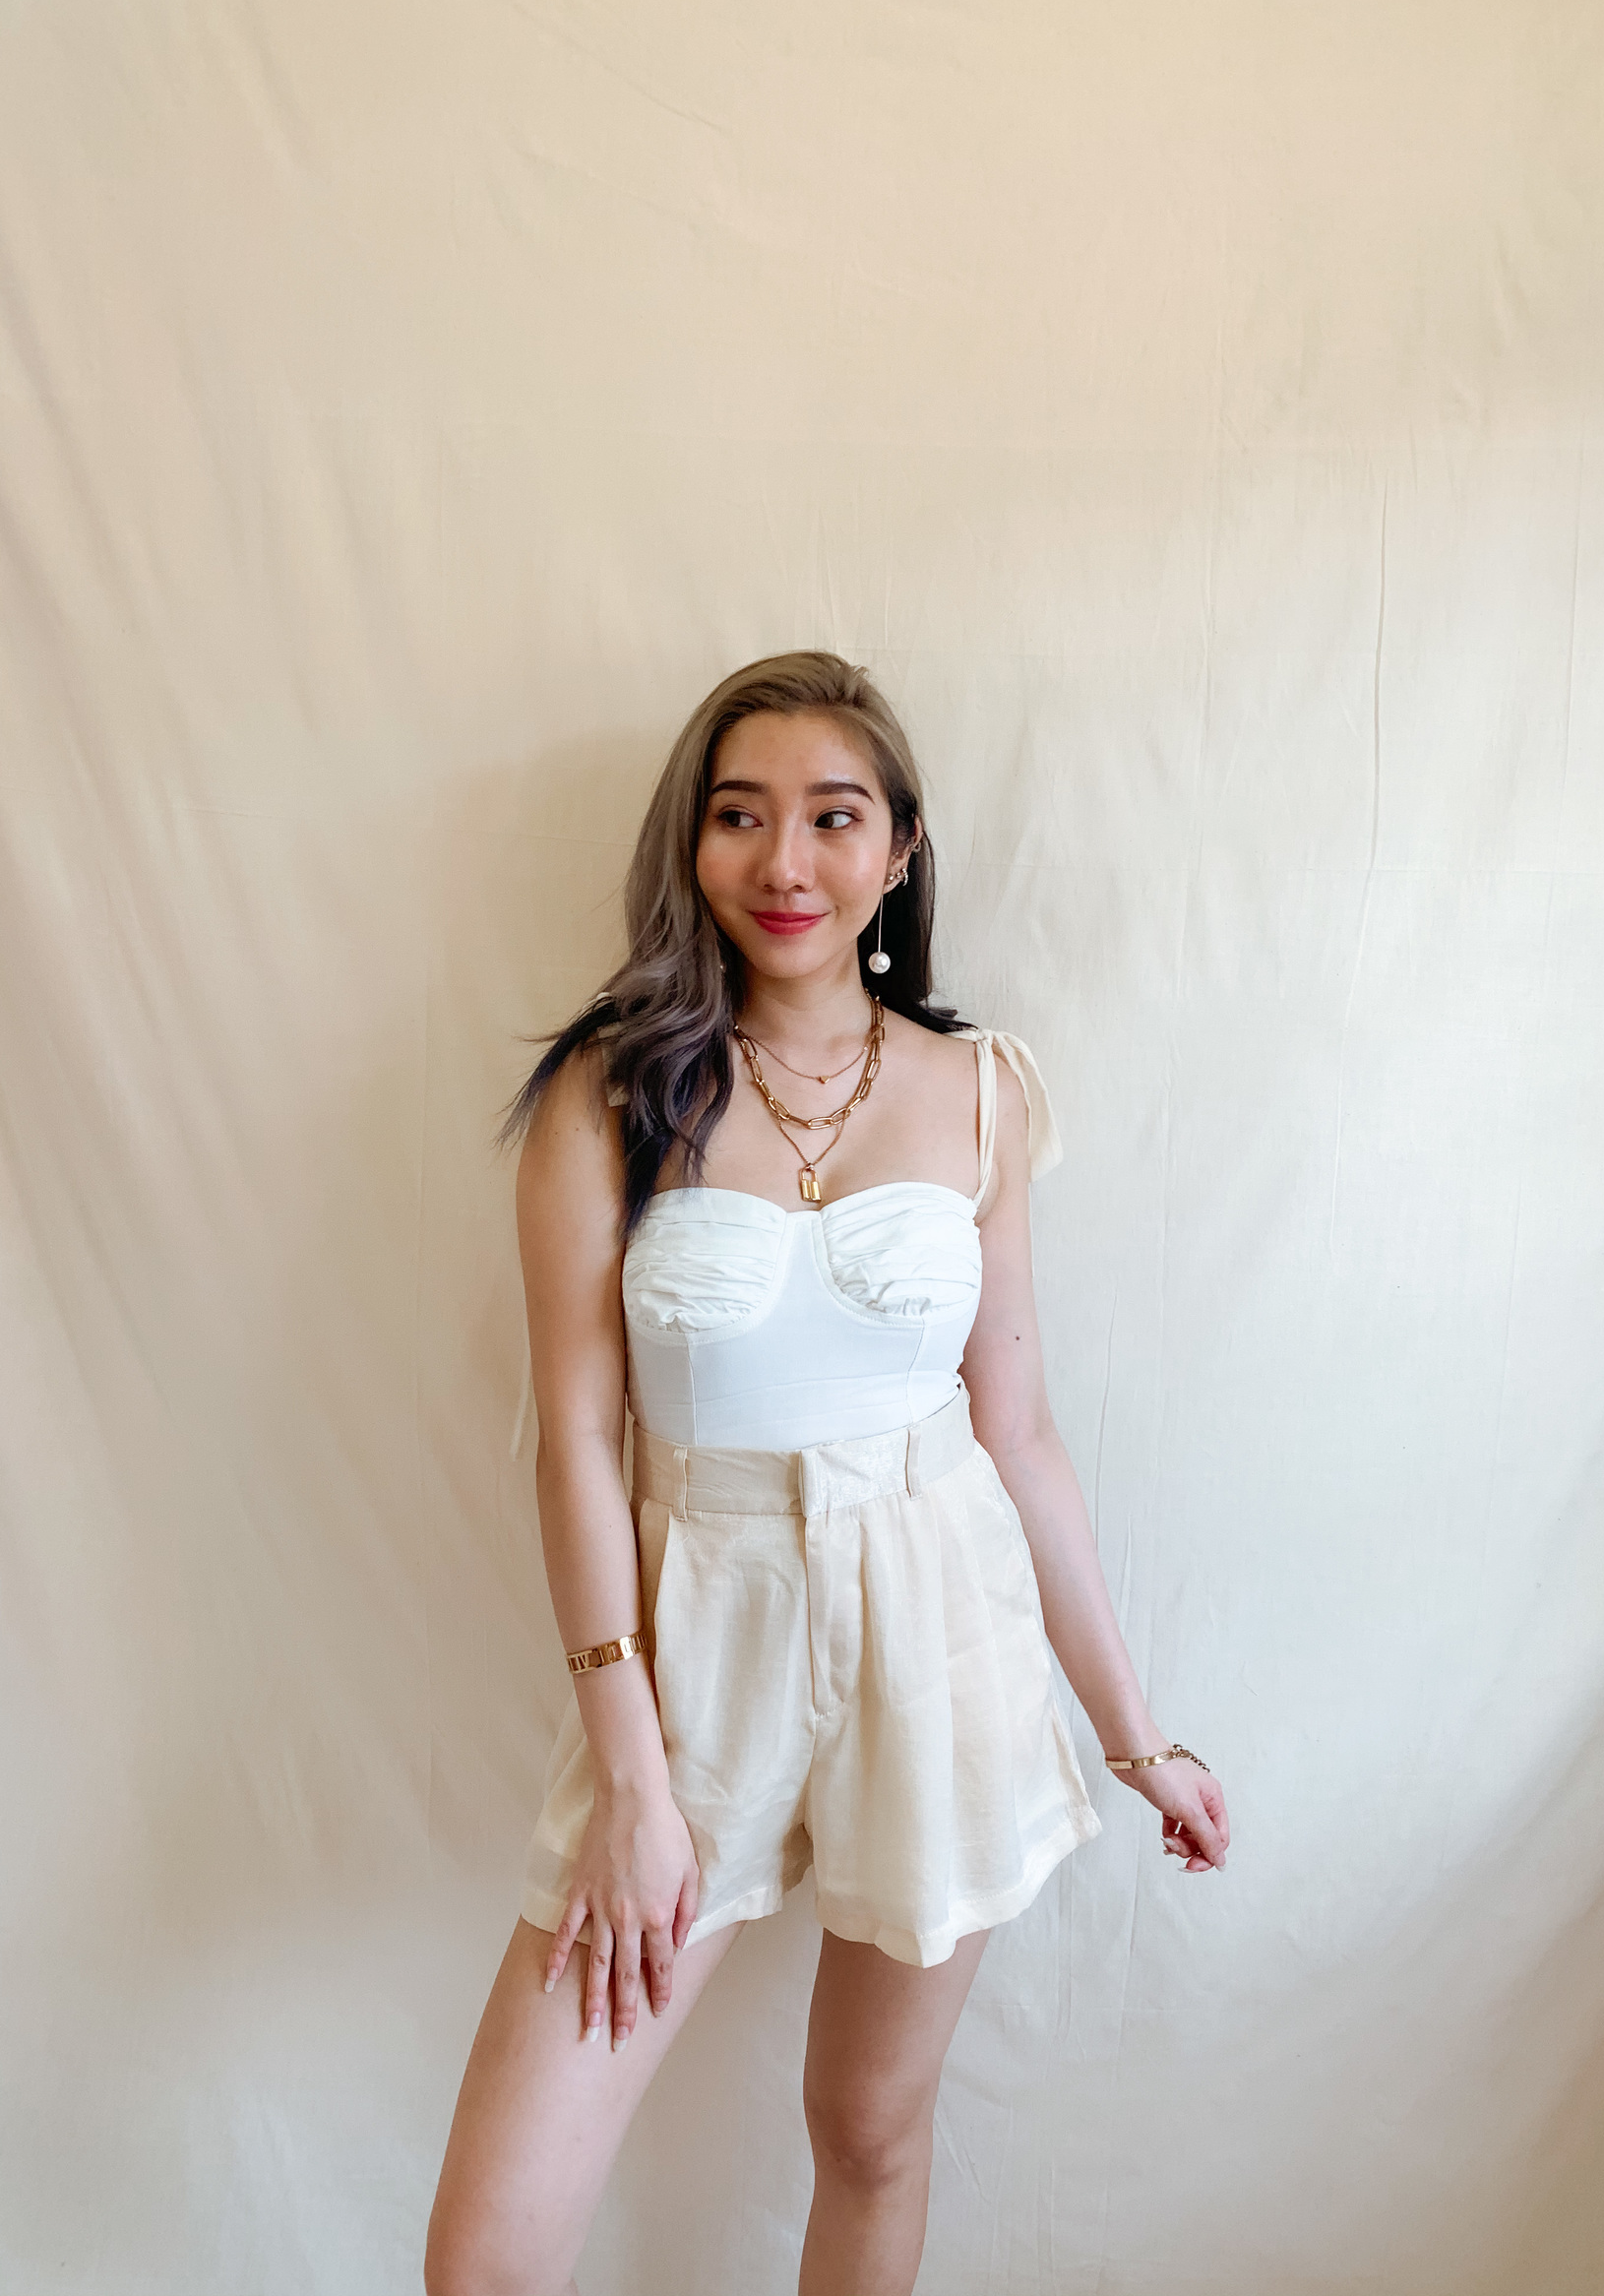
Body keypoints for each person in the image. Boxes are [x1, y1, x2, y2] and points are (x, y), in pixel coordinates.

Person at [425, 652, 1230, 2296]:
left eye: (832, 817)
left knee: (868, 2132)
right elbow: (575, 1442)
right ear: (692, 845)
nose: (784, 861)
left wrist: (1136, 1737)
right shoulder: (610, 1090)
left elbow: (1020, 1435)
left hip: (941, 1629)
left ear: (899, 848)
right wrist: (633, 1780)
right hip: (698, 1646)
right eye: (739, 816)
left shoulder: (980, 1091)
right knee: (489, 2256)